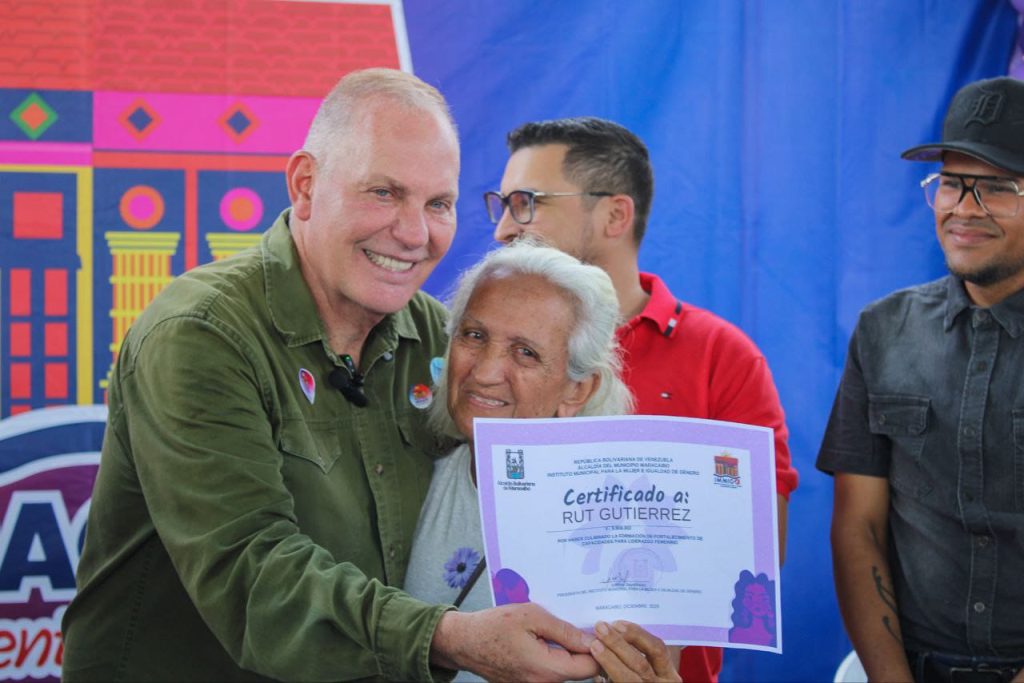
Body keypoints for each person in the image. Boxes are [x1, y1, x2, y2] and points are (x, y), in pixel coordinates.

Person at [62, 68, 598, 682]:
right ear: (305, 185)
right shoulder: (200, 334)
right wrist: (446, 639)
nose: (414, 234)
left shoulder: (435, 334)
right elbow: (252, 577)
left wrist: (610, 627)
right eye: (384, 193)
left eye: (438, 204)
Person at [487, 116, 800, 682]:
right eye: (503, 205)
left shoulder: (723, 356)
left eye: (527, 203)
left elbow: (759, 550)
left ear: (615, 215)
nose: (504, 229)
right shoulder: (483, 352)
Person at [817, 76, 1024, 683]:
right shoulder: (884, 329)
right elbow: (858, 527)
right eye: (952, 184)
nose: (965, 208)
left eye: (997, 188)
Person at [403, 239, 680, 683]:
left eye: (526, 352)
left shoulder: (626, 531)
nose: (485, 372)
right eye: (474, 336)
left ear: (577, 391)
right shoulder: (407, 478)